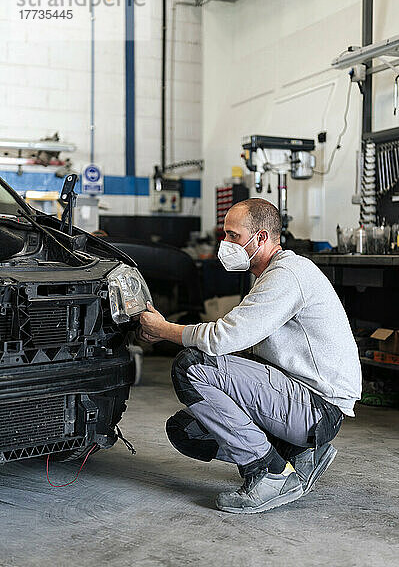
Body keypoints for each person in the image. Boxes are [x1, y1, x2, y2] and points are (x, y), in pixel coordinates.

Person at [139, 199, 361, 514]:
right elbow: (242, 346)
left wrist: (163, 329)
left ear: (261, 239)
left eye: (233, 236)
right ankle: (297, 453)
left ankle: (271, 473)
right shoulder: (266, 274)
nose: (224, 244)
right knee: (187, 430)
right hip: (298, 402)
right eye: (224, 235)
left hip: (316, 408)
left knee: (191, 366)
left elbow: (222, 338)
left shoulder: (287, 275)